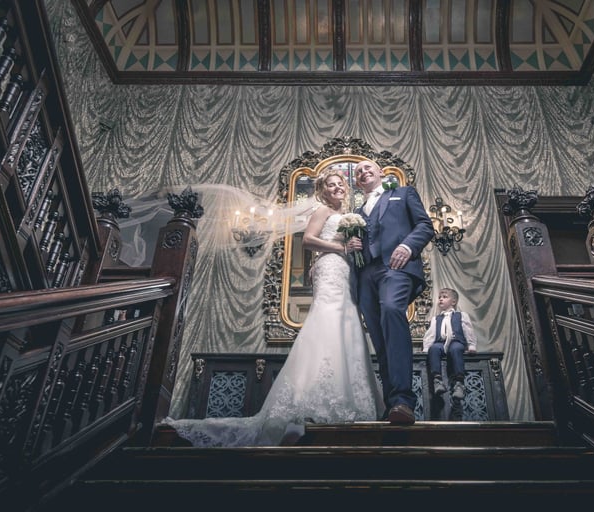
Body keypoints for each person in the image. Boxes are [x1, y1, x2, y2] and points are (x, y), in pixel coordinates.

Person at [163, 169, 384, 446]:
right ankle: (312, 401)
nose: (337, 187)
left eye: (341, 184)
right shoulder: (321, 210)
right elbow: (308, 240)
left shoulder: (350, 214)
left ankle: (350, 398)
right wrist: (342, 249)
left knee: (347, 322)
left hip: (345, 272)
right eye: (331, 184)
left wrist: (353, 250)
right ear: (323, 190)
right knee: (328, 320)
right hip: (331, 267)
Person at [345, 160, 434, 425]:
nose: (363, 172)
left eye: (367, 167)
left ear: (381, 172)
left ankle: (404, 401)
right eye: (358, 171)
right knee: (380, 336)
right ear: (357, 182)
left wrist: (408, 246)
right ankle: (391, 404)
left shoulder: (403, 193)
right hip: (365, 276)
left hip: (395, 268)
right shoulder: (357, 211)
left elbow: (425, 226)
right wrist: (352, 245)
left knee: (393, 311)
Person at [421, 288, 478, 401]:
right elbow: (431, 334)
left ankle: (459, 384)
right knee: (434, 349)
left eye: (445, 297)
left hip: (456, 341)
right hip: (440, 343)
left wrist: (471, 345)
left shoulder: (461, 315)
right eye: (439, 297)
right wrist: (427, 347)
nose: (441, 299)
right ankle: (437, 381)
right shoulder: (436, 319)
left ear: (453, 301)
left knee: (456, 349)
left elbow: (468, 330)